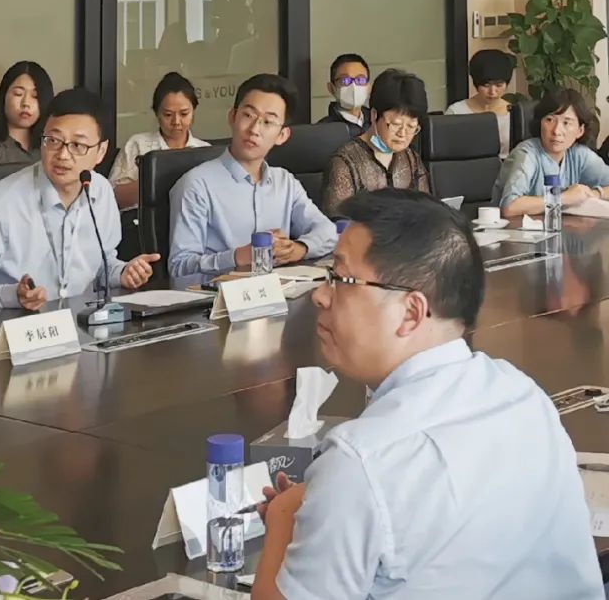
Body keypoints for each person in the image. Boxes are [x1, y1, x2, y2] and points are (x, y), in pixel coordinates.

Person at [251, 189, 602, 600]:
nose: (320, 295)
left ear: (411, 312)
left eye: (340, 279)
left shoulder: (360, 460)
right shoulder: (522, 393)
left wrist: (282, 519)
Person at [0, 87, 161, 311]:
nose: (63, 155)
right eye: (53, 141)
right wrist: (12, 296)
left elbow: (100, 266)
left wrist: (122, 272)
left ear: (101, 151)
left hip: (80, 324)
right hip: (14, 327)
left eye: (78, 145)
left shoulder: (101, 192)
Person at [167, 74, 336, 278]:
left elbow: (328, 232)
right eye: (248, 115)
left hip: (279, 291)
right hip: (219, 296)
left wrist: (299, 248)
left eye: (268, 122)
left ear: (282, 135)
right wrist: (236, 257)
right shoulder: (196, 185)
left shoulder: (285, 183)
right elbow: (179, 267)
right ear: (233, 117)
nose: (254, 129)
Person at [321, 68, 430, 216]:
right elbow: (338, 222)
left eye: (411, 127)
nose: (403, 134)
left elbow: (428, 210)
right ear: (374, 115)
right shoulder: (345, 162)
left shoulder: (411, 159)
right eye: (395, 124)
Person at [492, 88, 609, 217]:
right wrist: (563, 198)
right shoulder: (526, 154)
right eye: (549, 120)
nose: (556, 131)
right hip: (515, 228)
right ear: (540, 123)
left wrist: (596, 193)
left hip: (560, 227)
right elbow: (510, 207)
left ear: (580, 130)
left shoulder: (579, 155)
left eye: (566, 123)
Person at [109, 72, 210, 211]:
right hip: (143, 222)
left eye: (184, 114)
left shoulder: (205, 151)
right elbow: (111, 198)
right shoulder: (138, 145)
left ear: (193, 111)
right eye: (168, 115)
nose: (176, 121)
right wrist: (152, 183)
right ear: (157, 113)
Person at [0, 61, 54, 166]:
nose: (26, 103)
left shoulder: (53, 149)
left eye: (35, 96)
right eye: (18, 94)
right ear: (3, 97)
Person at [446, 48, 515, 156]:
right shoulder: (456, 112)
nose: (492, 92)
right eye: (486, 85)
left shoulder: (514, 114)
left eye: (499, 85)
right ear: (476, 83)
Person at [317, 53, 371, 138]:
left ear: (369, 87)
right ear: (331, 88)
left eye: (360, 80)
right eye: (345, 80)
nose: (354, 86)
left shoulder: (377, 122)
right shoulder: (322, 130)